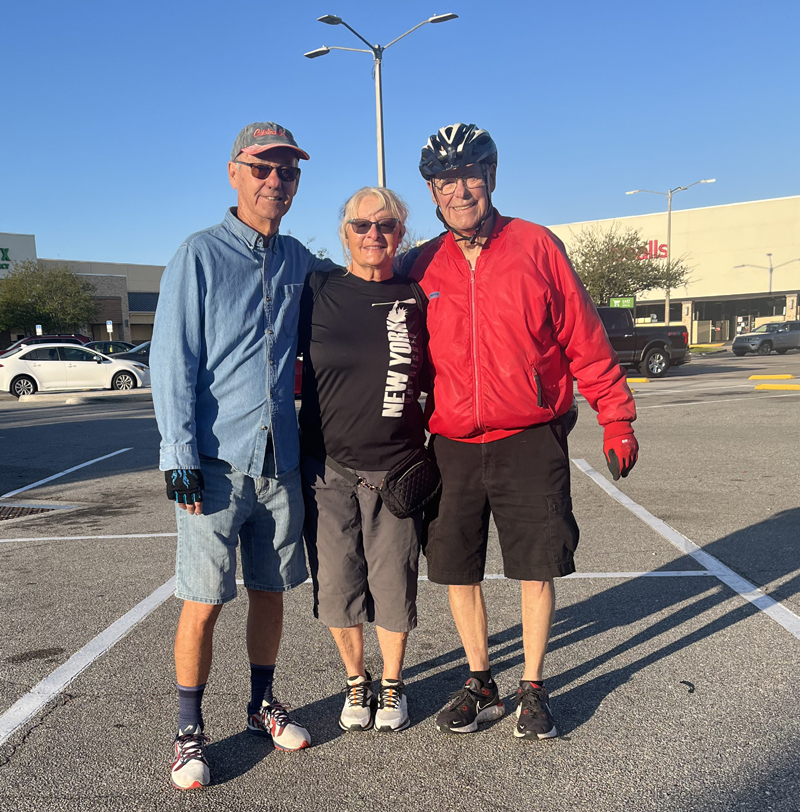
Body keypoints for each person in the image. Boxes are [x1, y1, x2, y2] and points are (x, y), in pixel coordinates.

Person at [405, 123, 638, 740]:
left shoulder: (536, 245)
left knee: (536, 567)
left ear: (491, 177)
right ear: (431, 191)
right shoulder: (421, 263)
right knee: (457, 570)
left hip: (529, 437)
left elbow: (584, 337)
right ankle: (479, 679)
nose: (459, 191)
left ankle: (532, 685)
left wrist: (615, 416)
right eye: (445, 181)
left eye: (469, 176)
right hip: (453, 443)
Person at [151, 121, 336, 790]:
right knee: (203, 600)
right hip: (214, 467)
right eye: (262, 168)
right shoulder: (198, 255)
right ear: (234, 173)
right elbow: (172, 358)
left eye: (287, 171)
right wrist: (178, 452)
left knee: (270, 591)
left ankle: (261, 703)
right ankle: (188, 731)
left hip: (279, 463)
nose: (275, 181)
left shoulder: (297, 258)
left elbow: (359, 284)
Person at [298, 187, 429, 734]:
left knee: (394, 582)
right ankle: (357, 680)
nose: (374, 234)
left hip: (397, 469)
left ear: (401, 233)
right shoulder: (317, 290)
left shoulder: (416, 295)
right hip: (328, 469)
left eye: (386, 224)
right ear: (344, 233)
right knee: (336, 584)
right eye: (362, 225)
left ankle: (393, 682)